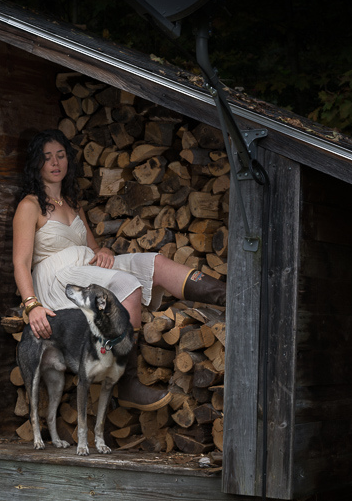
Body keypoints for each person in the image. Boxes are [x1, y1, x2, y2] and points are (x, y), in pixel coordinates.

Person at [12, 128, 226, 410]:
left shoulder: (74, 205)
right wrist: (31, 304)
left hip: (83, 266)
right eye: (47, 157)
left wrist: (103, 250)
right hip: (57, 280)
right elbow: (20, 261)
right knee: (127, 285)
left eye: (61, 156)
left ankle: (233, 297)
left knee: (153, 263)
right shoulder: (29, 206)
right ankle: (126, 383)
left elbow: (93, 247)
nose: (55, 163)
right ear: (36, 163)